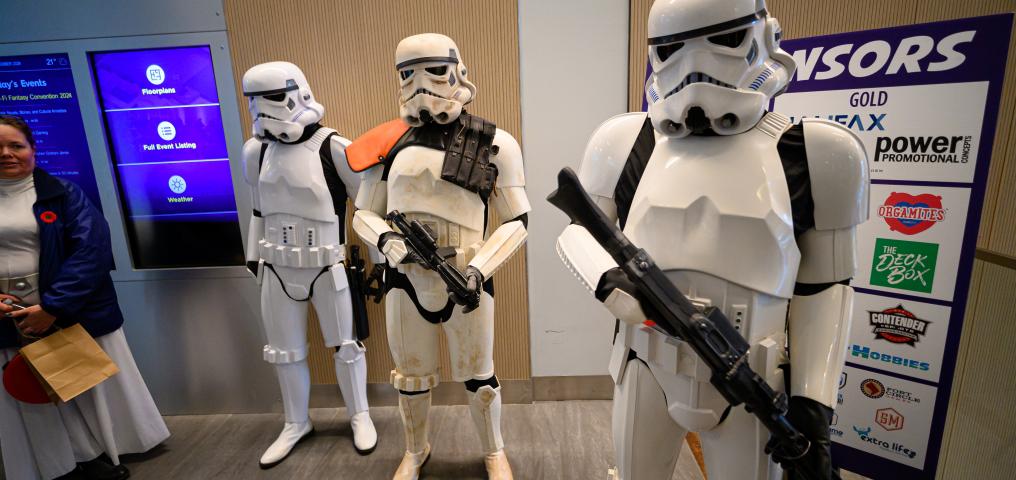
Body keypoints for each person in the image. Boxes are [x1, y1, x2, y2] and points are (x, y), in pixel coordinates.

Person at [554, 0, 868, 478]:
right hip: (645, 365)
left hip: (753, 380)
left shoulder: (818, 152)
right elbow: (578, 232)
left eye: (723, 41)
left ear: (765, 39)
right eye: (673, 49)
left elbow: (825, 290)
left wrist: (813, 402)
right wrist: (609, 281)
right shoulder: (625, 141)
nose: (693, 68)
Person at [349, 33, 530, 480]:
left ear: (457, 71)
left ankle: (493, 451)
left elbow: (517, 221)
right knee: (410, 379)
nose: (419, 83)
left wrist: (478, 268)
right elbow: (362, 214)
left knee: (480, 378)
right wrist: (387, 241)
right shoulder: (386, 144)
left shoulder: (496, 143)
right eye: (407, 73)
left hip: (467, 277)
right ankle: (415, 450)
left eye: (432, 70)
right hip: (405, 281)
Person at [0, 114, 170, 479]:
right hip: (9, 316)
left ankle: (101, 454)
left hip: (63, 308)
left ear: (33, 148)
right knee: (31, 396)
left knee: (80, 387)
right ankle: (57, 464)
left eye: (16, 145)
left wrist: (53, 306)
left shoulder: (64, 193)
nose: (7, 154)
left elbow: (91, 251)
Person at [240, 62, 377, 469]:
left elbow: (366, 210)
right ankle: (295, 422)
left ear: (298, 93)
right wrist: (253, 258)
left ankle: (360, 415)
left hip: (326, 266)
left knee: (347, 346)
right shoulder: (256, 151)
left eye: (273, 98)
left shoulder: (334, 148)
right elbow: (258, 211)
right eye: (255, 102)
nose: (265, 110)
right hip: (276, 267)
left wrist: (380, 259)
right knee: (285, 352)